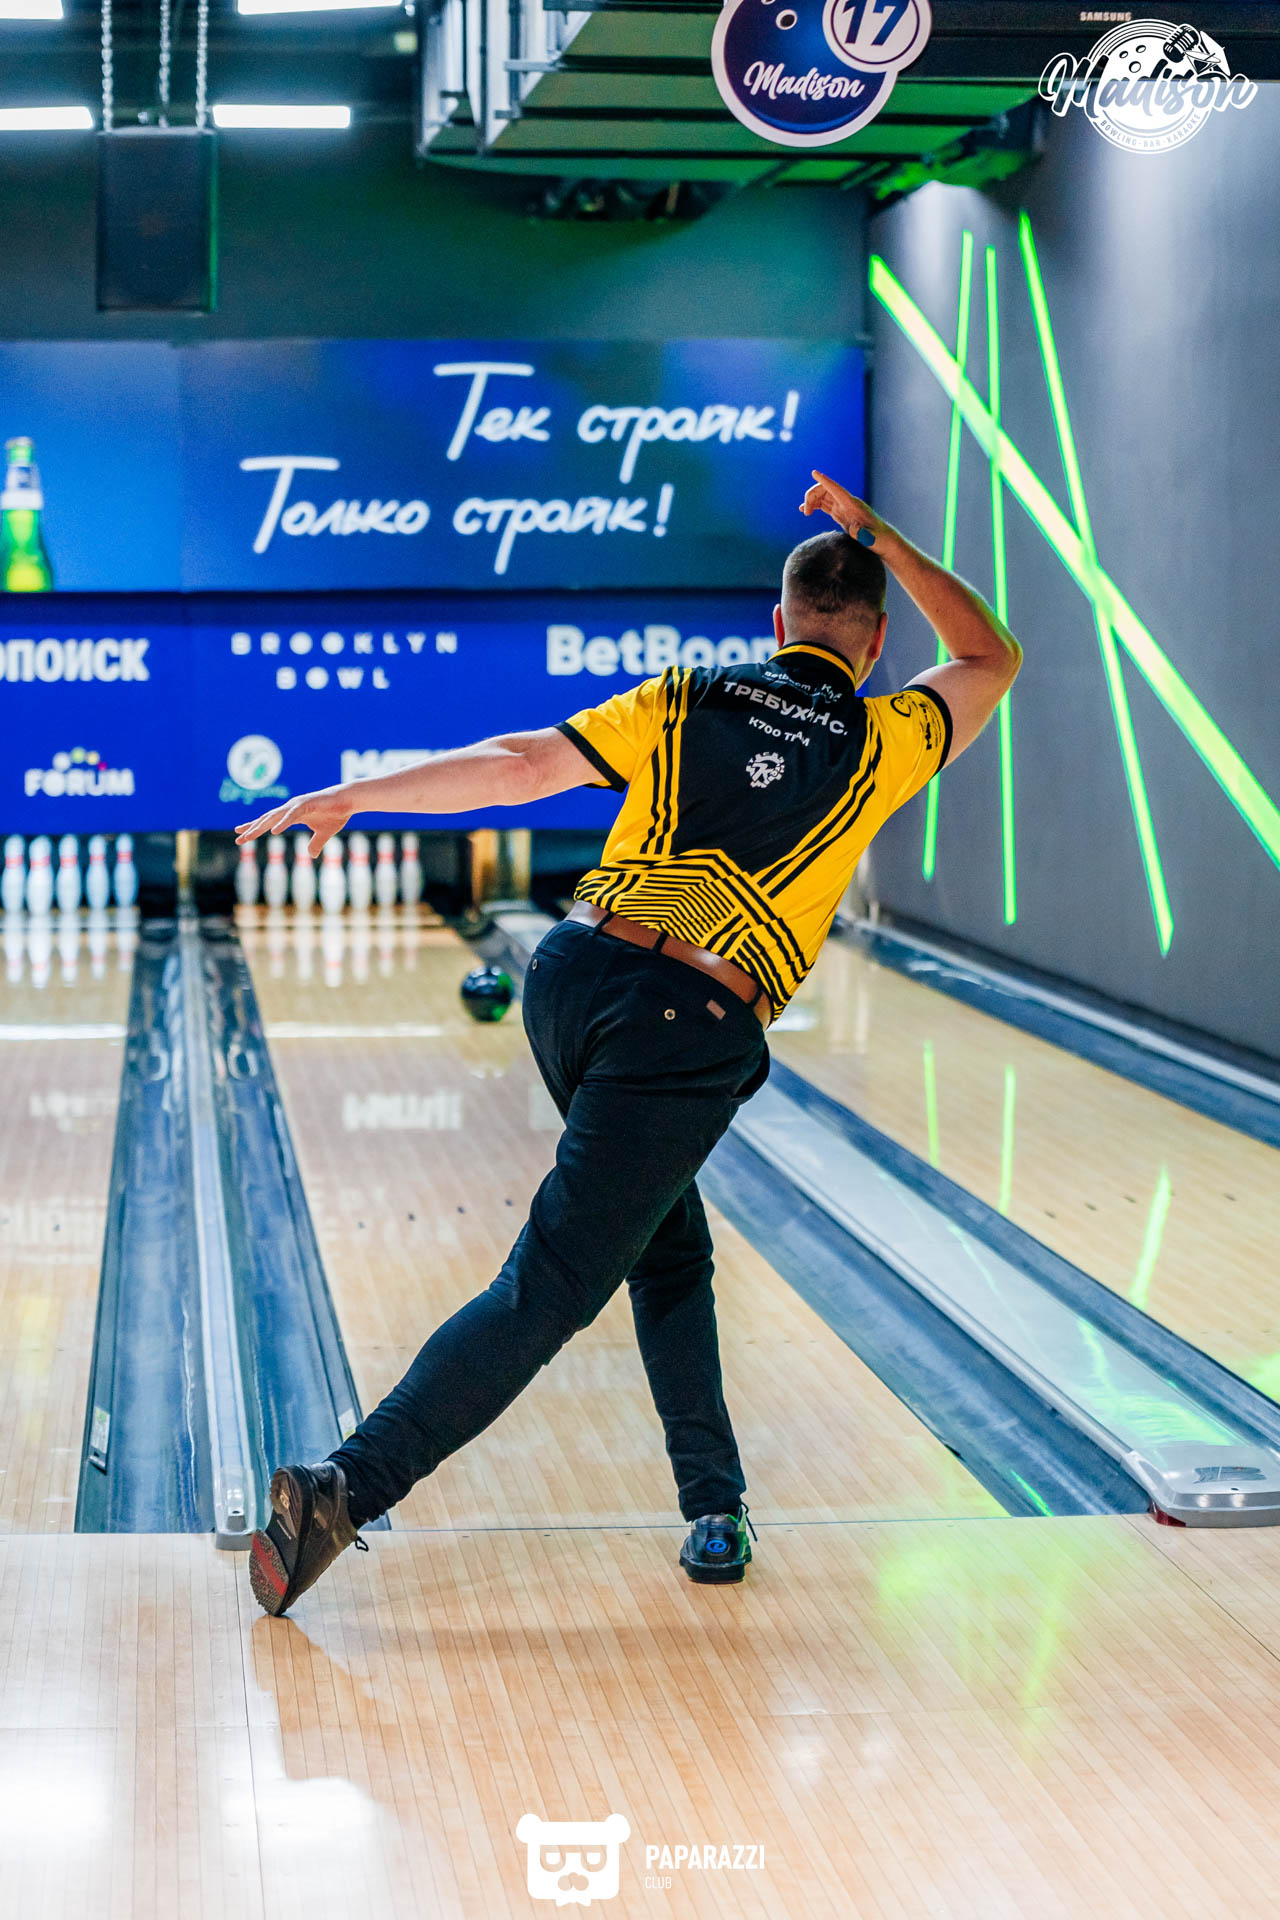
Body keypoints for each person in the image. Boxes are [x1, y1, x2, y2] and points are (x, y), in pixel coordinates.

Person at [235, 472, 1022, 1616]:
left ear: (777, 623)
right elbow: (989, 654)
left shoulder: (685, 692)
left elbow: (520, 765)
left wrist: (360, 792)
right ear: (876, 642)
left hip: (569, 978)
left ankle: (714, 1502)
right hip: (686, 1019)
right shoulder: (885, 732)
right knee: (550, 1288)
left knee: (664, 1246)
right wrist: (883, 537)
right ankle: (345, 1488)